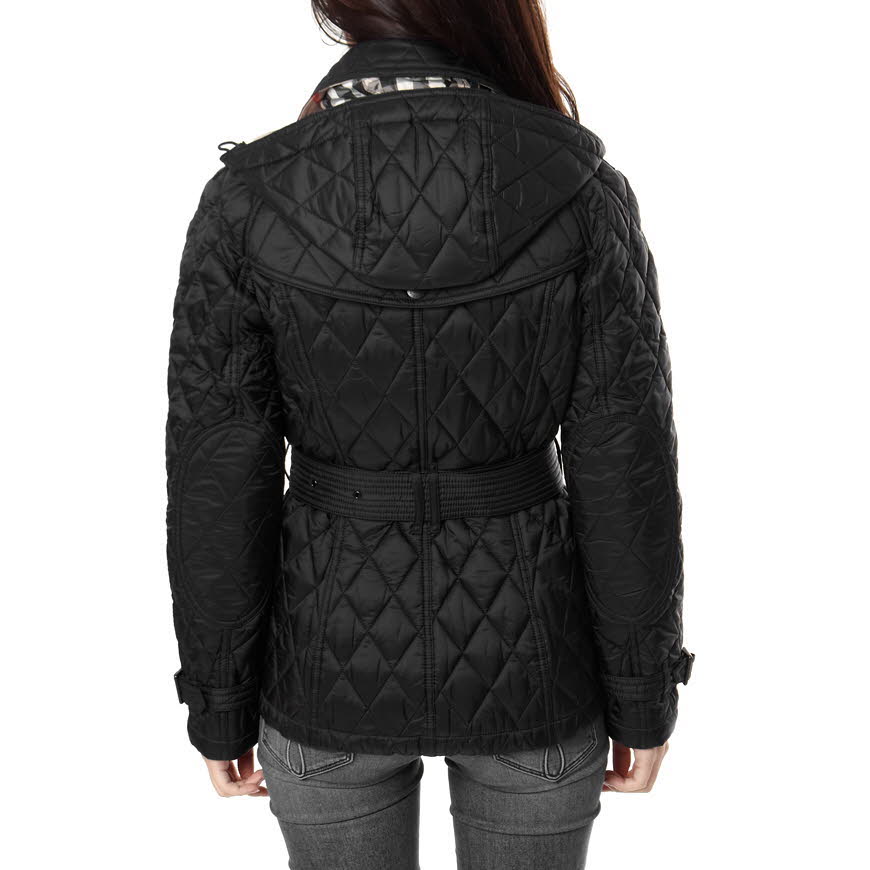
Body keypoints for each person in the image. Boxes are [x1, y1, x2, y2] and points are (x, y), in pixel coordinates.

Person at [164, 2, 694, 867]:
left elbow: (218, 477)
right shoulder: (581, 188)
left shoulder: (249, 199)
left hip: (327, 670)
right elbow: (624, 466)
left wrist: (218, 701)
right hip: (535, 669)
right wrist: (642, 692)